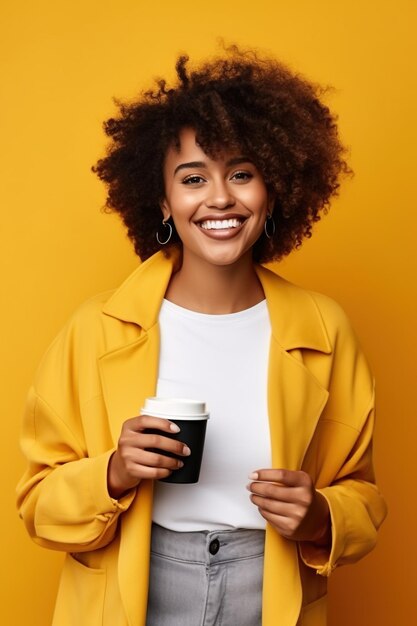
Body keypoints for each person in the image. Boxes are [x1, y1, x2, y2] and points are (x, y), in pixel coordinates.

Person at [17, 47, 387, 626]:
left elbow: (363, 496)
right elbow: (36, 504)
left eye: (241, 174)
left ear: (273, 187)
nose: (220, 198)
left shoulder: (324, 329)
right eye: (193, 179)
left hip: (269, 587)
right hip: (133, 589)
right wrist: (115, 471)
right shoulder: (96, 328)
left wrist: (319, 516)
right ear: (164, 201)